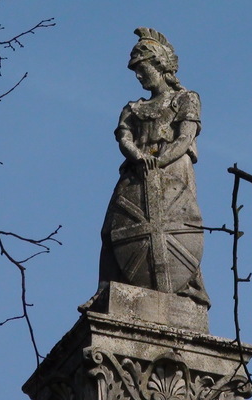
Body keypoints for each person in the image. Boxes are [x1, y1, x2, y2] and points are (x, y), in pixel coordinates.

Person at [95, 28, 210, 308]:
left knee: (178, 225)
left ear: (159, 64)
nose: (138, 75)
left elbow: (185, 137)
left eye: (141, 67)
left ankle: (189, 286)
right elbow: (124, 138)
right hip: (137, 170)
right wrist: (137, 155)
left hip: (173, 169)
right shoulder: (133, 109)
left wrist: (161, 161)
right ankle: (106, 290)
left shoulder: (185, 98)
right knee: (112, 229)